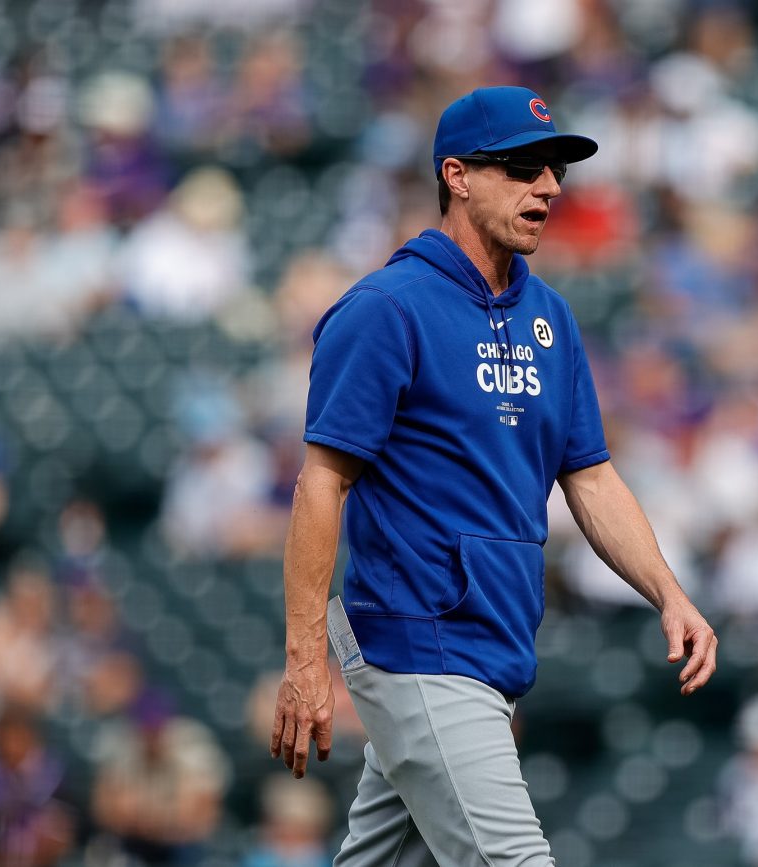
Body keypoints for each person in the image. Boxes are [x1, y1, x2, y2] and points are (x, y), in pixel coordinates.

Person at [270, 86, 718, 866]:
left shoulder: (552, 316)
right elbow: (321, 482)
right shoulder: (387, 308)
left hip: (493, 645)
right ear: (457, 175)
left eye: (554, 169)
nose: (547, 185)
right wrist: (305, 657)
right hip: (419, 640)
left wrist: (668, 592)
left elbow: (592, 480)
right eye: (520, 167)